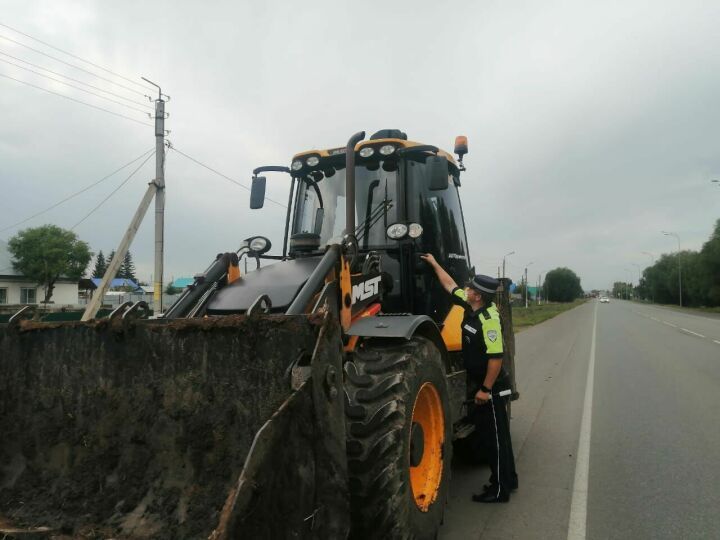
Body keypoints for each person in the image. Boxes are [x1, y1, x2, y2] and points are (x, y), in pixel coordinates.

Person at [420, 253, 518, 503]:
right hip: (485, 384)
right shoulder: (469, 304)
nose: (467, 288)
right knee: (499, 437)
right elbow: (450, 285)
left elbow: (496, 359)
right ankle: (510, 479)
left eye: (471, 287)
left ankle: (499, 490)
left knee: (495, 440)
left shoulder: (489, 320)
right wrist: (433, 263)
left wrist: (485, 389)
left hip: (494, 387)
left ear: (478, 295)